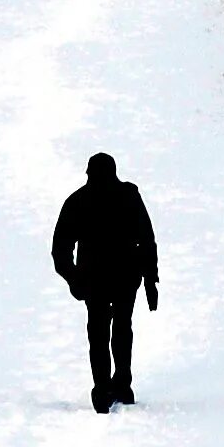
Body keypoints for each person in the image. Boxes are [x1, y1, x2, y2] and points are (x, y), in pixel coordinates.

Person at [51, 152, 158, 412]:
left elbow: (60, 249)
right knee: (119, 329)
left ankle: (106, 388)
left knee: (101, 333)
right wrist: (149, 280)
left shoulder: (79, 200)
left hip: (100, 279)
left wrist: (74, 279)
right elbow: (146, 240)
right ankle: (118, 384)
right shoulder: (127, 196)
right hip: (117, 277)